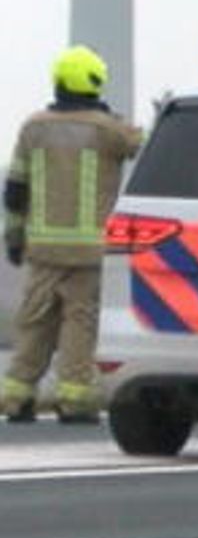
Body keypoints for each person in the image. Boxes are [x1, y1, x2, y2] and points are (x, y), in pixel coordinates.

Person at [2, 46, 144, 423]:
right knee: (79, 324)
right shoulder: (108, 130)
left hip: (43, 249)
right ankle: (75, 398)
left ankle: (16, 396)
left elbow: (15, 188)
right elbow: (144, 147)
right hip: (89, 252)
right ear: (94, 82)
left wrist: (13, 237)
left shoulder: (34, 127)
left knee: (34, 321)